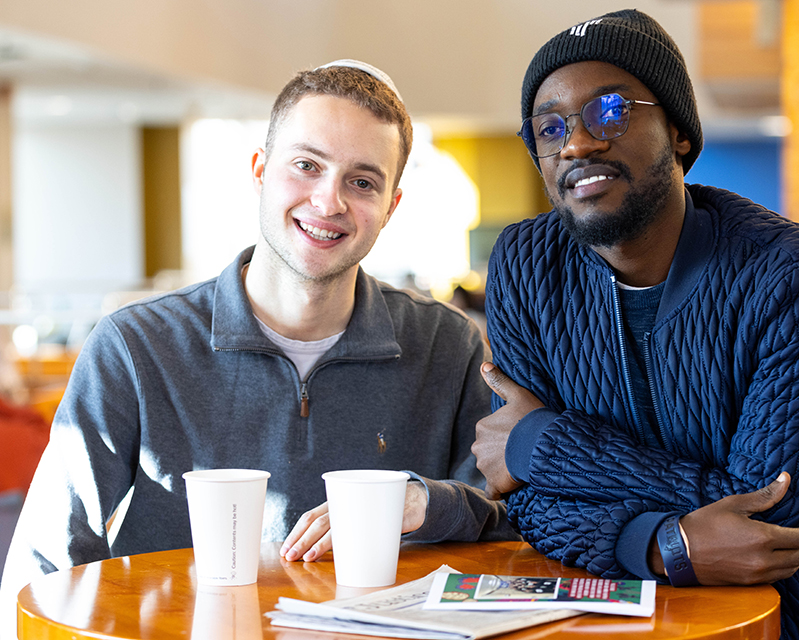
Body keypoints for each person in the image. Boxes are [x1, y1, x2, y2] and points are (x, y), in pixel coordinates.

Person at [472, 10, 799, 639]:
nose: (578, 143)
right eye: (550, 127)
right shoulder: (525, 266)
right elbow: (528, 501)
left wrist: (544, 445)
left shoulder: (794, 274)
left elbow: (767, 516)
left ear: (677, 131)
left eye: (610, 110)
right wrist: (662, 544)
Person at [0, 60, 517, 636]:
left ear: (391, 207)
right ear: (260, 173)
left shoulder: (449, 345)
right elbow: (41, 569)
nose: (328, 202)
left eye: (363, 181)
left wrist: (429, 503)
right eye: (306, 166)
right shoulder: (134, 347)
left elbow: (517, 522)